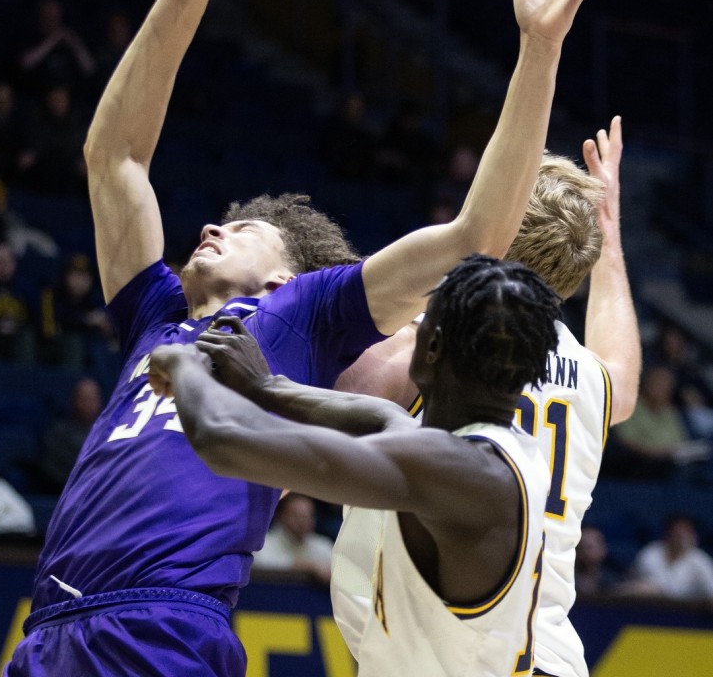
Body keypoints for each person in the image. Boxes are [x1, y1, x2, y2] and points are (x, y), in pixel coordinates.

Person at [4, 0, 593, 677]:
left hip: (160, 619)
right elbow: (112, 156)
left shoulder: (300, 316)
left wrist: (537, 47)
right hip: (51, 623)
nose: (210, 230)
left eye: (239, 228)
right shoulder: (155, 315)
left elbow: (475, 234)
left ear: (286, 273)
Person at [151, 256, 560, 677]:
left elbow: (225, 440)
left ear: (433, 347)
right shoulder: (497, 452)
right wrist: (266, 386)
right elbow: (383, 418)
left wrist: (183, 364)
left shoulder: (457, 470)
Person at [334, 116, 641, 677]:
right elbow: (623, 376)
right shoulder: (593, 379)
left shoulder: (431, 341)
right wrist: (608, 231)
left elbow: (324, 393)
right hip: (548, 655)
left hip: (448, 657)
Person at [620, 514, 713, 604]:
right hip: (642, 609)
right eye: (678, 532)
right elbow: (633, 581)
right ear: (668, 533)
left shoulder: (700, 560)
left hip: (684, 614)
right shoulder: (651, 552)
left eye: (687, 532)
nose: (682, 537)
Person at [35, 377, 104, 495]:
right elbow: (51, 470)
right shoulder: (59, 431)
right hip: (64, 493)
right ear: (74, 400)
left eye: (93, 399)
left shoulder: (108, 433)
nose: (89, 404)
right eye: (85, 399)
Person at [252, 492, 334, 585]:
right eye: (297, 516)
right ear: (281, 516)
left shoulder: (322, 544)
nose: (303, 521)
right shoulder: (263, 544)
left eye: (308, 516)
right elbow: (263, 565)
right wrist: (309, 567)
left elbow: (340, 569)